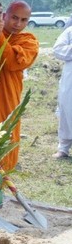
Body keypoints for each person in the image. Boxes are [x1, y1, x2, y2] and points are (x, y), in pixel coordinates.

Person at [0, 1, 38, 171]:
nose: (18, 24)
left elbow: (11, 63)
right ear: (4, 16)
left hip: (6, 97)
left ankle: (1, 178)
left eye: (23, 20)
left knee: (5, 132)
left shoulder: (29, 41)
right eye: (14, 18)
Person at [54, 23, 72, 159]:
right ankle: (63, 148)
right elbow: (57, 49)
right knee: (67, 110)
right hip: (70, 80)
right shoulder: (69, 32)